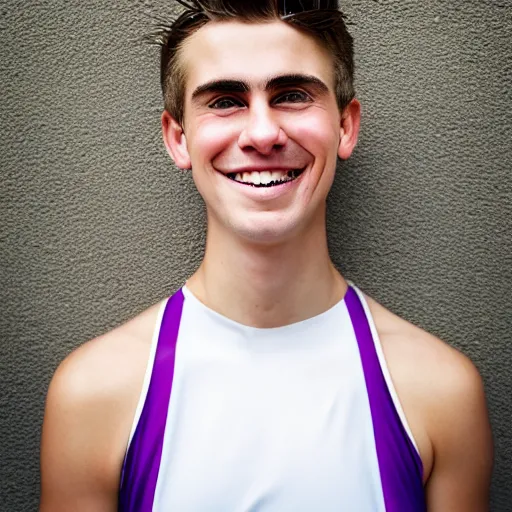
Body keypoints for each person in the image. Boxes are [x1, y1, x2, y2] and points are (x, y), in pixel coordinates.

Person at [39, 1, 493, 510]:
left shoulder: (440, 392)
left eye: (293, 95)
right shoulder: (94, 394)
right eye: (226, 100)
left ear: (345, 126)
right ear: (178, 138)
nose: (262, 134)